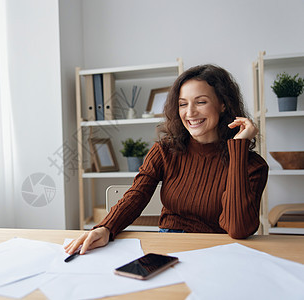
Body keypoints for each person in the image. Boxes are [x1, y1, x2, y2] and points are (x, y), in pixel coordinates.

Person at [65, 64, 269, 256]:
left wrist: (238, 150)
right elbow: (137, 194)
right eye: (183, 104)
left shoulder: (252, 165)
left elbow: (238, 228)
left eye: (201, 102)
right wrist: (106, 227)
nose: (190, 113)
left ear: (223, 104)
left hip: (220, 250)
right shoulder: (166, 150)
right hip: (170, 246)